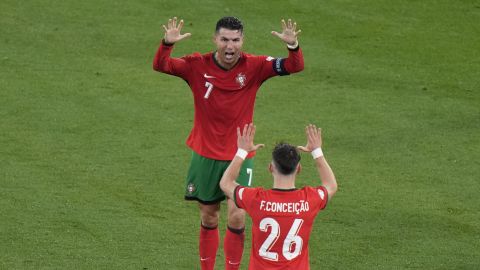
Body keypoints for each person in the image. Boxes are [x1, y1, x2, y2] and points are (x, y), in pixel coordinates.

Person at [152, 16, 304, 269]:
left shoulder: (255, 66)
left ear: (242, 40)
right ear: (215, 40)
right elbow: (161, 65)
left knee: (237, 215)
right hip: (205, 153)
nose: (230, 46)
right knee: (209, 216)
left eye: (235, 40)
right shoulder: (196, 65)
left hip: (240, 154)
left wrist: (293, 45)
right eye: (224, 39)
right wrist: (167, 43)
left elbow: (294, 66)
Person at [220, 123, 338, 269]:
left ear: (270, 168)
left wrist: (242, 151)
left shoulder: (256, 199)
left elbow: (226, 183)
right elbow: (331, 185)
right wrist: (317, 152)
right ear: (299, 169)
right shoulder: (309, 200)